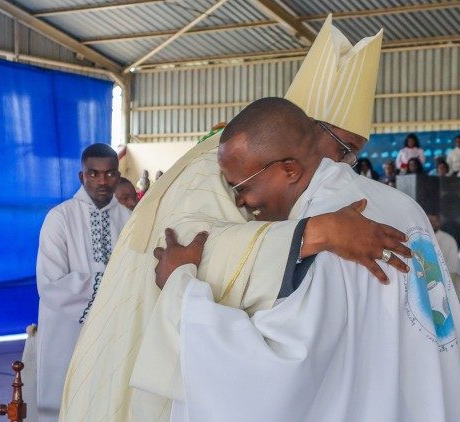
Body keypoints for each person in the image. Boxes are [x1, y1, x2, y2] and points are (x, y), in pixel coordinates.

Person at [60, 16, 407, 422]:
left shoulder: (258, 165)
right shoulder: (221, 165)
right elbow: (189, 248)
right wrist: (318, 232)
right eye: (345, 149)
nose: (346, 165)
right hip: (142, 339)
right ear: (305, 134)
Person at [149, 97, 460, 421]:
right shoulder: (401, 204)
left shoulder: (336, 231)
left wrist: (182, 289)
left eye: (242, 186)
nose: (241, 202)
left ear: (289, 169)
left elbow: (276, 374)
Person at [35, 143, 131, 421]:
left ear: (117, 174)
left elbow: (137, 272)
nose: (102, 181)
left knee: (108, 400)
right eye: (94, 174)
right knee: (65, 399)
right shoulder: (59, 218)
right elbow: (51, 283)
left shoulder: (129, 220)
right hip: (67, 331)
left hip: (114, 329)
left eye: (110, 174)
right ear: (81, 176)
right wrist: (109, 287)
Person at [429, 214, 460, 294]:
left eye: (435, 221)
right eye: (430, 221)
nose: (432, 223)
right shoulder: (421, 238)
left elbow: (452, 264)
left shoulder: (448, 239)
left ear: (439, 223)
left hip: (445, 279)